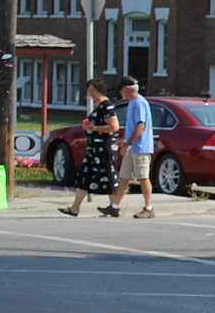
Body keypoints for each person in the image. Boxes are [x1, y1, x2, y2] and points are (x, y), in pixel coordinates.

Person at [97, 75, 155, 219]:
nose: (120, 93)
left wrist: (129, 143)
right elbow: (133, 126)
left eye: (122, 90)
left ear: (128, 89)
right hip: (132, 147)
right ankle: (115, 206)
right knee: (123, 177)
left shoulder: (139, 102)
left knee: (143, 177)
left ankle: (149, 208)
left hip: (140, 147)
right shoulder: (132, 103)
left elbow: (140, 124)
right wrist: (124, 139)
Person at [59, 79, 118, 217]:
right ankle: (75, 208)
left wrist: (94, 127)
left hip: (104, 149)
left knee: (107, 176)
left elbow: (114, 126)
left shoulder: (107, 106)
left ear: (99, 90)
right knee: (84, 176)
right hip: (93, 150)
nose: (90, 94)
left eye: (92, 90)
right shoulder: (98, 106)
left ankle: (114, 207)